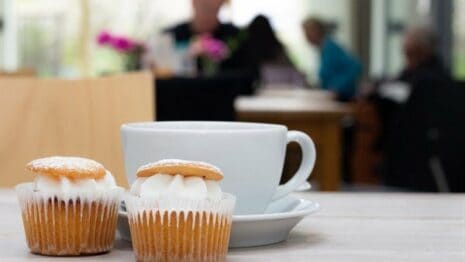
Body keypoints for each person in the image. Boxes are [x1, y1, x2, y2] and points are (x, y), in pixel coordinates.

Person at [374, 25, 464, 192]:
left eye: (410, 52)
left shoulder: (431, 80)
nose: (407, 57)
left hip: (417, 161)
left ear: (423, 51)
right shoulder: (413, 73)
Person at [165, 0, 242, 74]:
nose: (208, 2)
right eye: (204, 5)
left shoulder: (236, 36)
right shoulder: (170, 36)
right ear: (193, 2)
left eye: (212, 7)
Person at [302, 17, 362, 101]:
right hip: (332, 97)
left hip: (343, 98)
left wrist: (336, 88)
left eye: (307, 33)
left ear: (317, 31)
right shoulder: (323, 49)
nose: (306, 37)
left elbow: (356, 67)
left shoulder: (331, 48)